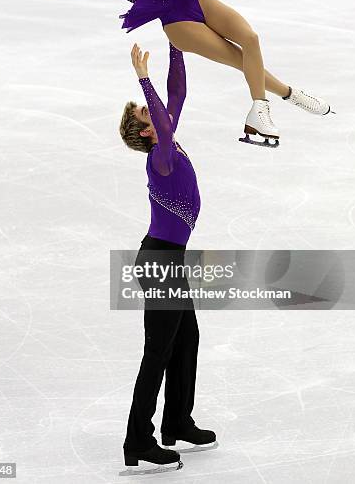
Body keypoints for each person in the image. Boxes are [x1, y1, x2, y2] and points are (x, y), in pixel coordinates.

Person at [41, 0, 335, 149]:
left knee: (251, 39)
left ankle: (279, 98)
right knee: (237, 58)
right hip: (177, 23)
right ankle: (274, 103)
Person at [118, 41, 216, 471]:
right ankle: (138, 440)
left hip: (168, 261)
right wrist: (142, 77)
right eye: (146, 113)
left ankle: (177, 420)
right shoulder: (159, 159)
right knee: (157, 351)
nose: (154, 111)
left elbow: (177, 95)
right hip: (159, 262)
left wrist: (177, 43)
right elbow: (163, 108)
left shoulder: (168, 144)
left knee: (186, 340)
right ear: (145, 132)